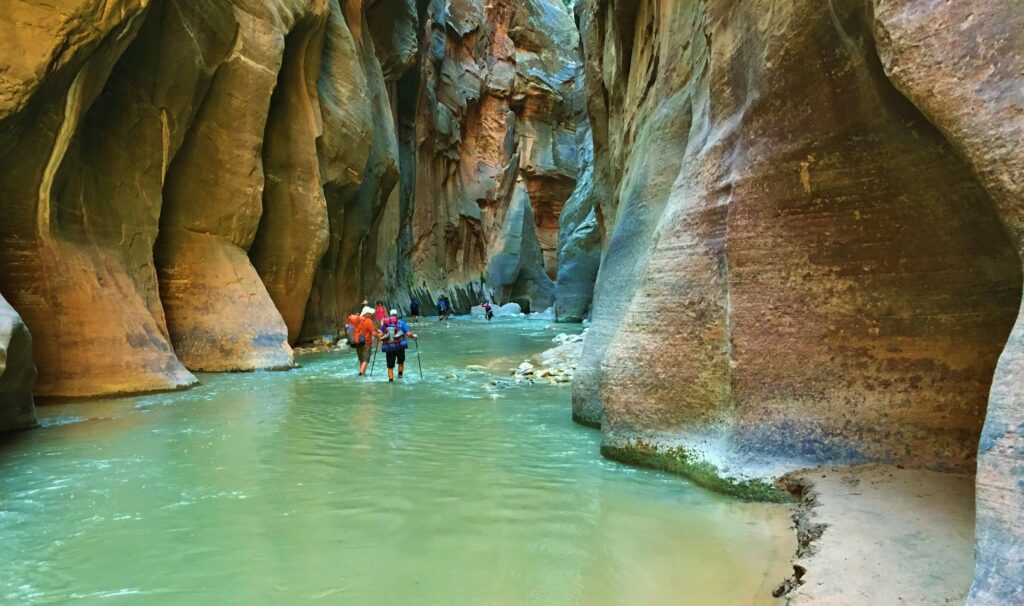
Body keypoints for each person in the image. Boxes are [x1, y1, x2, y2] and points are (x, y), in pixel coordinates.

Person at [378, 310, 417, 382]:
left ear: (390, 315)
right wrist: (413, 336)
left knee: (390, 366)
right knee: (401, 362)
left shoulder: (385, 324)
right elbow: (408, 334)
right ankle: (400, 376)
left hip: (389, 347)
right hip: (400, 346)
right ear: (397, 315)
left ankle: (390, 381)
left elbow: (380, 335)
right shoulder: (401, 323)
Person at [353, 306, 376, 376]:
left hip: (358, 343)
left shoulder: (357, 320)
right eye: (369, 313)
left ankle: (362, 372)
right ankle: (361, 374)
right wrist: (379, 337)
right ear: (366, 313)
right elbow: (373, 333)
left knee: (361, 360)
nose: (371, 315)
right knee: (365, 360)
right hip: (366, 343)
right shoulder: (368, 321)